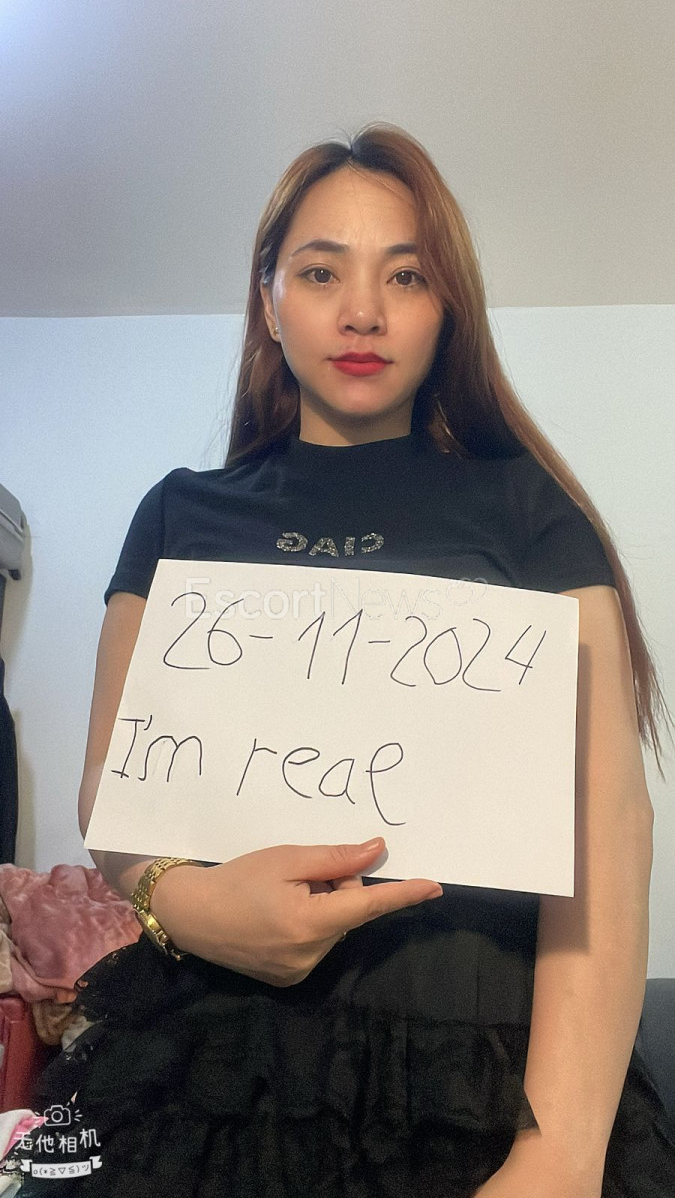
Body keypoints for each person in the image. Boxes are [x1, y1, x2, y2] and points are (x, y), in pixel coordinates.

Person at [22, 124, 675, 1197]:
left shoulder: (527, 509)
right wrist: (186, 905)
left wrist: (557, 1153)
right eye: (322, 271)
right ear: (269, 300)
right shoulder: (178, 513)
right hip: (210, 1059)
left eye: (405, 275)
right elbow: (115, 790)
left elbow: (608, 826)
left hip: (480, 1070)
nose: (362, 310)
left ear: (445, 308)